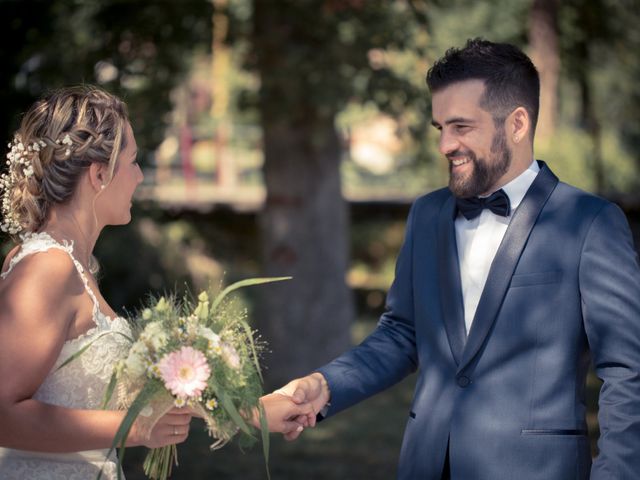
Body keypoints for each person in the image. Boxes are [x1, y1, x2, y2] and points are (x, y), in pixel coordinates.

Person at [276, 39, 640, 479]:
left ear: (518, 124)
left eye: (461, 127)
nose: (445, 144)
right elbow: (401, 334)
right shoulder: (426, 215)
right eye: (440, 127)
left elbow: (628, 371)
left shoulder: (590, 223)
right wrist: (325, 385)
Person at [0, 86, 308, 479]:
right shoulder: (48, 268)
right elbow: (3, 414)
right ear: (98, 174)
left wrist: (253, 411)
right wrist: (137, 429)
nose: (140, 176)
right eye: (132, 161)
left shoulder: (75, 267)